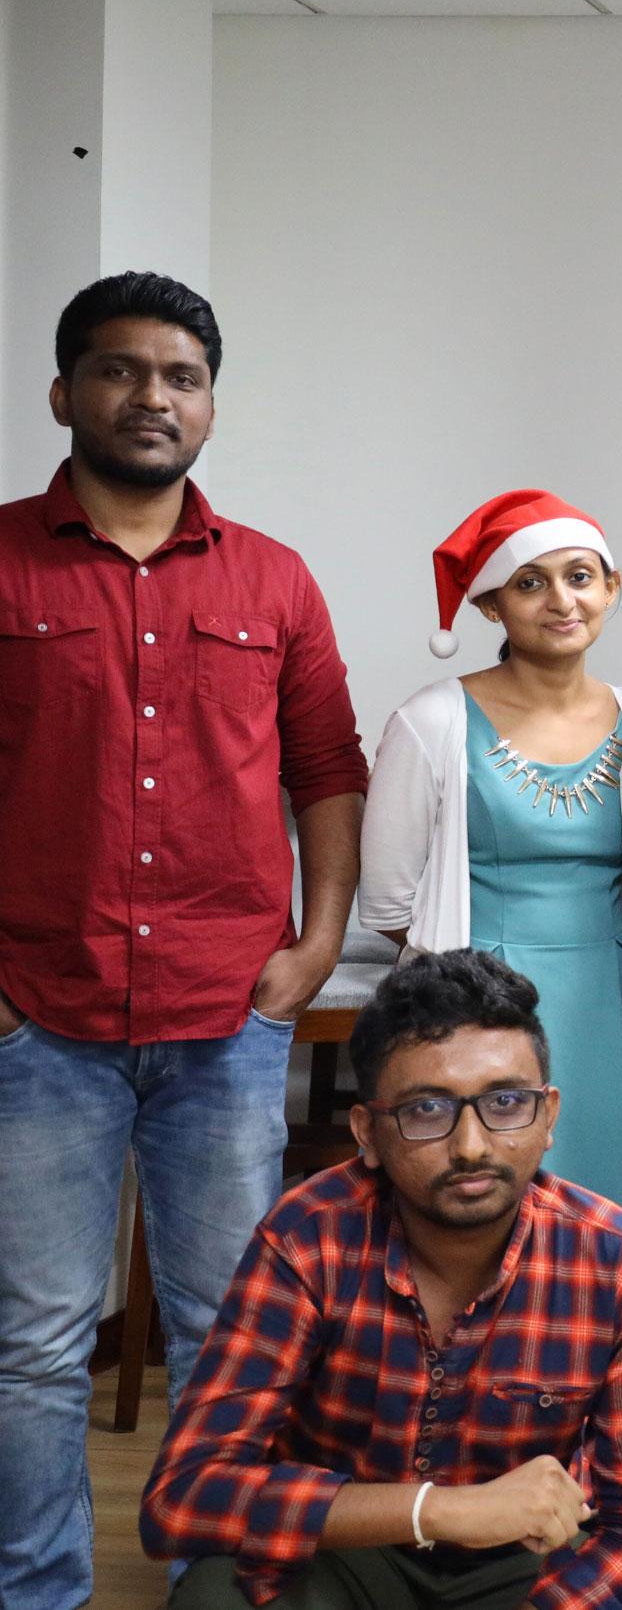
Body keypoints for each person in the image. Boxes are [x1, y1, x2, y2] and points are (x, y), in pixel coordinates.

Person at [0, 273, 369, 1610]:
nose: (152, 394)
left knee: (231, 1328)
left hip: (227, 1010)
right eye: (120, 369)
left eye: (182, 374)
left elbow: (327, 765)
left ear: (209, 403)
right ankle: (36, 1590)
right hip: (39, 1016)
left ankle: (220, 1584)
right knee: (36, 1341)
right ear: (64, 394)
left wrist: (317, 939)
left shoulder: (273, 577)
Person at [140, 948, 622, 1610]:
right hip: (346, 1559)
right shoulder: (309, 1235)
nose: (473, 1146)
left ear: (547, 1116)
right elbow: (183, 1496)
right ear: (367, 1130)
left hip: (519, 1567)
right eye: (428, 1110)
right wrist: (437, 1510)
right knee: (214, 1597)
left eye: (506, 1102)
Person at [361, 489, 622, 1256]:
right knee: (498, 1214)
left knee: (615, 1214)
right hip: (485, 1010)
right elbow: (389, 901)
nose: (561, 600)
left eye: (579, 576)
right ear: (492, 606)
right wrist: (477, 976)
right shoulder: (434, 720)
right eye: (531, 583)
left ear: (611, 588)